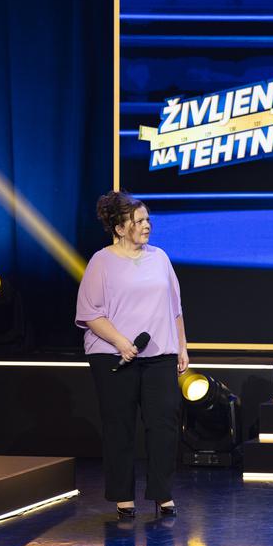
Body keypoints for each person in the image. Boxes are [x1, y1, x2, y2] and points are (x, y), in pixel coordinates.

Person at [76, 190, 189, 518]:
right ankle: (123, 497)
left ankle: (162, 493)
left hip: (159, 355)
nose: (146, 225)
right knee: (120, 426)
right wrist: (122, 343)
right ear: (119, 228)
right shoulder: (101, 261)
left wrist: (182, 346)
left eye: (147, 220)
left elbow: (175, 307)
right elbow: (91, 313)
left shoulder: (160, 257)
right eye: (138, 221)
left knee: (164, 424)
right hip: (113, 356)